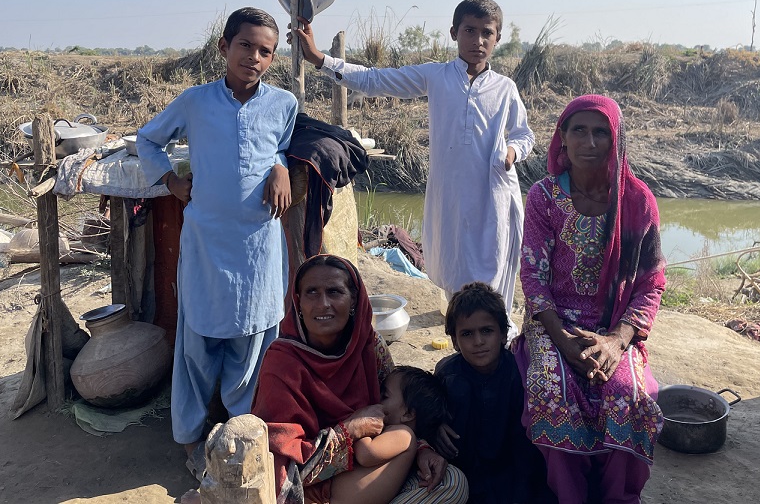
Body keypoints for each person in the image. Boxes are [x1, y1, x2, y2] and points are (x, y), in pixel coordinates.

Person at [294, 0, 535, 329]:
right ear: (454, 32)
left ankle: (490, 333)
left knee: (491, 263)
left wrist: (512, 152)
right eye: (469, 30)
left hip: (492, 192)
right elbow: (375, 79)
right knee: (451, 262)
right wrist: (321, 59)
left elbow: (524, 134)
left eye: (486, 33)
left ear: (498, 38)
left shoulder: (505, 88)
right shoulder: (436, 77)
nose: (477, 41)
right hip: (449, 193)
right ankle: (462, 327)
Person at [136, 7, 297, 472]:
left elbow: (281, 143)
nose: (254, 57)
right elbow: (148, 141)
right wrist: (169, 181)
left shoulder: (283, 104)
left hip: (259, 242)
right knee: (198, 342)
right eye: (245, 45)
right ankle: (191, 440)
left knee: (253, 340)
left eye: (265, 51)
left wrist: (281, 167)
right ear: (224, 47)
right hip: (207, 241)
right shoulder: (194, 102)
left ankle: (240, 435)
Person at [514, 94, 666, 504]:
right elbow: (533, 278)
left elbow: (650, 284)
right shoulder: (544, 197)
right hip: (554, 323)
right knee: (553, 391)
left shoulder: (637, 202)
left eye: (601, 132)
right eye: (578, 129)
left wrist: (617, 342)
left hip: (615, 326)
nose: (589, 141)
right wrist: (564, 342)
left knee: (629, 397)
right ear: (562, 136)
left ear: (615, 140)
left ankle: (617, 497)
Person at [251, 254, 468, 504]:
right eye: (312, 292)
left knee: (453, 482)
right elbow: (279, 464)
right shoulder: (282, 363)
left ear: (353, 299)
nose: (323, 304)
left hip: (368, 472)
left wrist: (422, 449)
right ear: (298, 302)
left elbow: (397, 409)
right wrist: (349, 431)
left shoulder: (369, 345)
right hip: (311, 488)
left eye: (334, 292)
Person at [434, 282, 550, 504]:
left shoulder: (519, 372)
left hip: (514, 468)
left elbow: (524, 446)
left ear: (504, 334)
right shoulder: (447, 375)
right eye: (467, 334)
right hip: (466, 471)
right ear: (455, 342)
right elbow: (424, 406)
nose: (478, 342)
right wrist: (435, 423)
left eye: (486, 331)